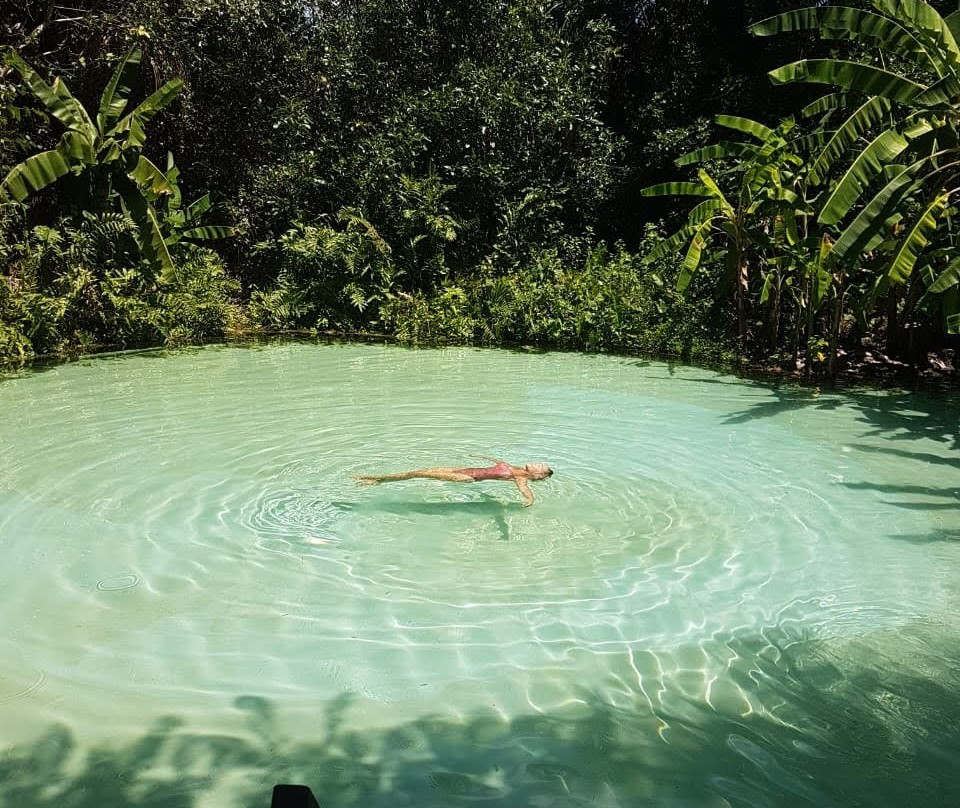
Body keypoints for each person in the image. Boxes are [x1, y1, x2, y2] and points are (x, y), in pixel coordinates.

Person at [354, 455, 553, 506]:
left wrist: (530, 500)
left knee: (416, 473)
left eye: (541, 467)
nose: (538, 463)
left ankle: (376, 480)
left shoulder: (519, 478)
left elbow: (525, 491)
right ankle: (377, 479)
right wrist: (481, 456)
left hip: (466, 477)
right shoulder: (514, 466)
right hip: (464, 469)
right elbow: (496, 462)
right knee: (418, 471)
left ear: (537, 475)